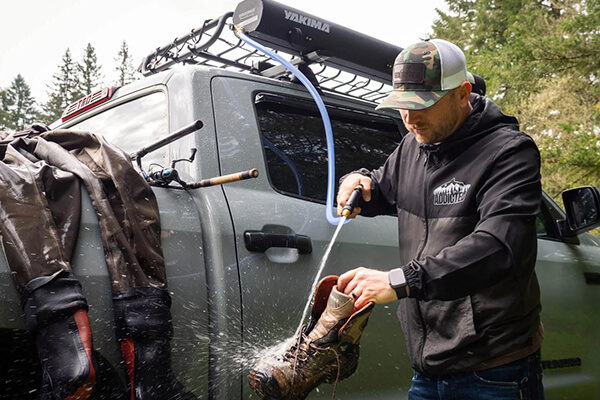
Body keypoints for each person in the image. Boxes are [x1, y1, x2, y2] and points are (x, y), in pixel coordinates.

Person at [336, 39, 545, 400]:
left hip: (494, 368)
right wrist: (356, 179)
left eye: (422, 106)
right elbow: (380, 188)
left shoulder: (510, 153)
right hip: (428, 367)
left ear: (462, 94)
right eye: (402, 105)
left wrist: (400, 281)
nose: (409, 118)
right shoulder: (413, 146)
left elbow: (499, 246)